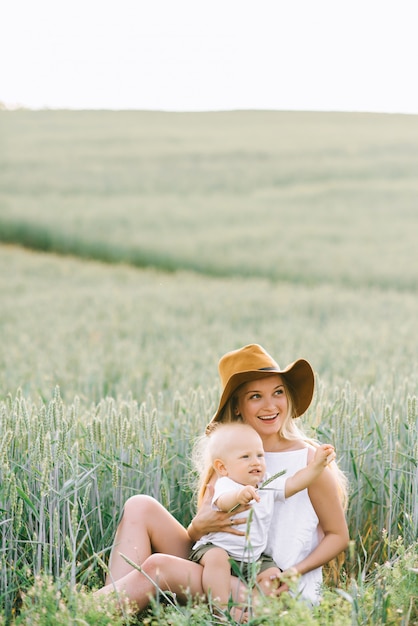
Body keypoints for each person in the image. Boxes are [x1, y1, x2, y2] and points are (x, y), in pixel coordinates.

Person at [96, 343, 349, 613]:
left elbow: (338, 535)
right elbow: (209, 537)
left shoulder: (308, 461)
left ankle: (86, 610)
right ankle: (112, 607)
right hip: (221, 568)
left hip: (271, 588)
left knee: (158, 567)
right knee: (140, 506)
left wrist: (295, 572)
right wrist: (195, 526)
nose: (270, 405)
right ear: (237, 406)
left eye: (278, 392)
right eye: (255, 396)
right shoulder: (231, 459)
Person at [189, 421, 336, 616]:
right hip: (220, 549)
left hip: (254, 556)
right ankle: (222, 611)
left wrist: (317, 465)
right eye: (245, 457)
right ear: (222, 467)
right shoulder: (226, 484)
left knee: (273, 577)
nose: (256, 461)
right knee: (217, 560)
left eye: (260, 455)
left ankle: (257, 612)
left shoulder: (267, 484)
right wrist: (239, 496)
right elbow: (222, 502)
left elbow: (294, 483)